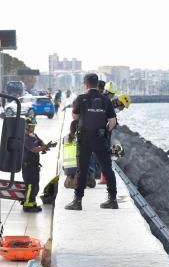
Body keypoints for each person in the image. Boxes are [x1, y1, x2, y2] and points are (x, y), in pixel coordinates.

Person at [65, 73, 118, 210]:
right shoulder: (105, 99)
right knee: (107, 168)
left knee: (82, 170)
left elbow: (75, 116)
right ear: (97, 84)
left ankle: (77, 202)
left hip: (84, 139)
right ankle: (112, 200)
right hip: (100, 138)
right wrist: (105, 133)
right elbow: (112, 121)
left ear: (86, 84)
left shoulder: (81, 99)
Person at [21, 116, 54, 213]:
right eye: (32, 126)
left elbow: (40, 141)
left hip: (34, 165)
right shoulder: (25, 137)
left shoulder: (33, 135)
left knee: (35, 185)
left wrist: (45, 145)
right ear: (27, 126)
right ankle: (27, 205)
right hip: (28, 165)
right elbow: (34, 149)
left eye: (34, 126)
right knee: (31, 185)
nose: (33, 128)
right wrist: (44, 148)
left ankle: (32, 203)